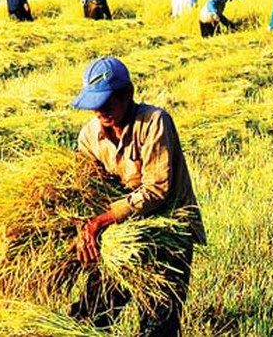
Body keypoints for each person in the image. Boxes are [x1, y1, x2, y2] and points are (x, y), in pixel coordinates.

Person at [69, 57, 206, 336]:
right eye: (95, 104)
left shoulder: (154, 122)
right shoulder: (89, 137)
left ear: (128, 94)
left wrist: (102, 219)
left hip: (168, 235)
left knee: (158, 326)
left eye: (108, 103)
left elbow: (156, 190)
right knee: (88, 318)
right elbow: (85, 191)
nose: (100, 111)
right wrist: (84, 227)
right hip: (119, 237)